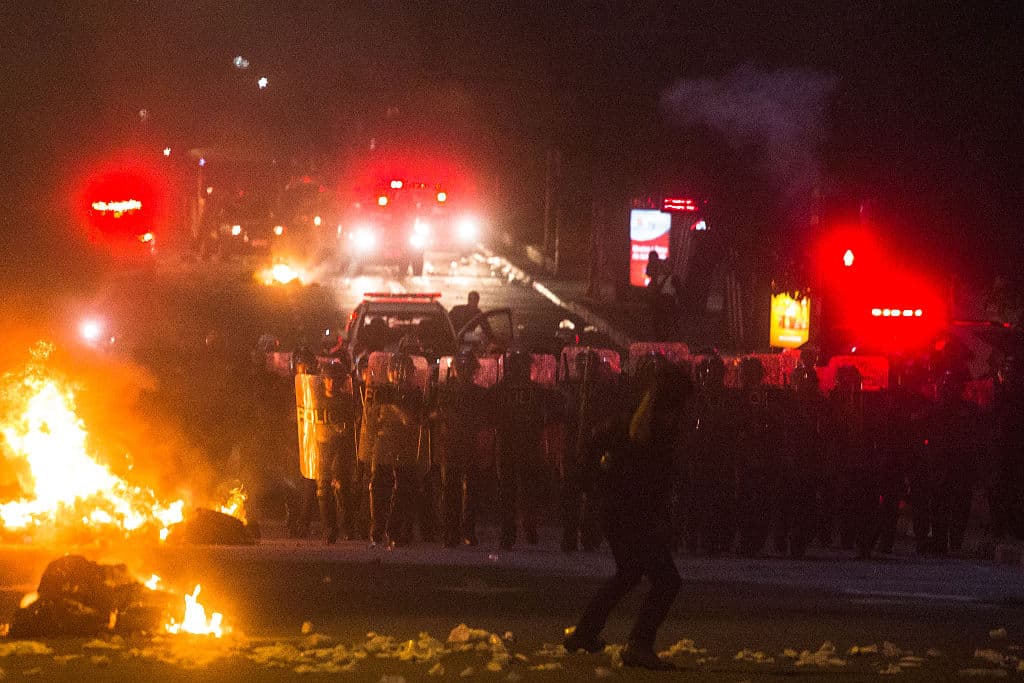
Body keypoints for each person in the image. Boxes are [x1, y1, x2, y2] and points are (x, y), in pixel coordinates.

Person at [564, 352, 689, 670]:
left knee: (629, 574)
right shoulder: (659, 431)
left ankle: (584, 633)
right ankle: (639, 644)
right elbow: (655, 483)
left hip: (616, 511)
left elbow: (593, 448)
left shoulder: (630, 419)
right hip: (634, 514)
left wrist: (593, 490)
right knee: (667, 581)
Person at [488, 347, 563, 548]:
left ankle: (510, 534)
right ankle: (526, 530)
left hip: (510, 446)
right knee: (525, 491)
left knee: (509, 492)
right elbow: (555, 407)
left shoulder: (501, 390)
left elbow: (488, 410)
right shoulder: (536, 391)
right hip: (525, 447)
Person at [560, 349, 621, 553]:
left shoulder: (605, 391)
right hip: (573, 447)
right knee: (571, 495)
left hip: (594, 448)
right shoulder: (569, 389)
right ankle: (570, 536)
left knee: (594, 495)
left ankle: (589, 536)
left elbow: (612, 419)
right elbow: (563, 420)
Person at [430, 349, 491, 547]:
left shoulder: (480, 394)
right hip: (450, 445)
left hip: (470, 445)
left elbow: (485, 419)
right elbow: (433, 415)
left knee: (470, 491)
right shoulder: (443, 391)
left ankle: (467, 530)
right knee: (451, 491)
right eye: (461, 367)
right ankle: (451, 532)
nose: (464, 372)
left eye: (467, 368)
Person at [370, 353, 428, 547]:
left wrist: (395, 410)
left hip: (406, 445)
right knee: (378, 485)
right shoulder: (382, 391)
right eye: (395, 370)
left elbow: (414, 419)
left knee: (405, 487)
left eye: (402, 370)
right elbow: (373, 415)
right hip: (384, 444)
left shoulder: (415, 393)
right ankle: (377, 529)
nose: (398, 374)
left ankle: (395, 529)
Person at [686, 354, 739, 555]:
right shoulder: (696, 398)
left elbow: (735, 425)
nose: (712, 378)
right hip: (701, 455)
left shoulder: (730, 398)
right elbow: (689, 426)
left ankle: (721, 540)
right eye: (708, 373)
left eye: (716, 374)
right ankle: (699, 539)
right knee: (700, 497)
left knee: (722, 499)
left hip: (723, 455)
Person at [318, 360, 359, 543]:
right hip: (321, 447)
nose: (331, 383)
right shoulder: (315, 400)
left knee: (342, 487)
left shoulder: (346, 401)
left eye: (335, 379)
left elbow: (355, 423)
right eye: (328, 379)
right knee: (323, 489)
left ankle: (348, 527)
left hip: (341, 447)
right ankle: (330, 530)